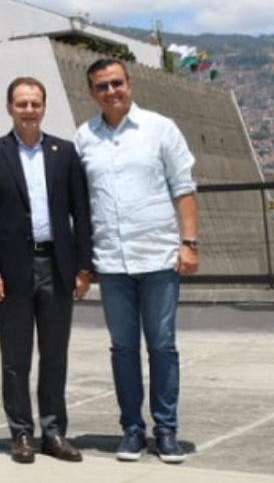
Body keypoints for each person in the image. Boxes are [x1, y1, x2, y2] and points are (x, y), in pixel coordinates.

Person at [75, 58, 199, 464]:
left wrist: (189, 243)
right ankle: (131, 428)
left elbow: (183, 187)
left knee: (162, 346)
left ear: (129, 84)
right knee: (123, 348)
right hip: (111, 261)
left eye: (116, 83)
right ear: (92, 93)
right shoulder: (84, 137)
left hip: (159, 256)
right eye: (102, 86)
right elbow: (80, 202)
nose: (111, 91)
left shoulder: (160, 128)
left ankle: (166, 430)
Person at [0, 77, 92, 465]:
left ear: (44, 107)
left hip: (57, 266)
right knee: (15, 358)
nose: (28, 110)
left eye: (35, 103)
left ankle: (54, 432)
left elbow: (81, 212)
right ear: (9, 107)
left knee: (55, 355)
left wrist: (83, 265)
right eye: (21, 103)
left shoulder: (64, 152)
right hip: (11, 271)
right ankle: (21, 432)